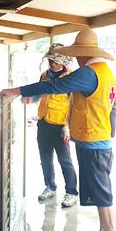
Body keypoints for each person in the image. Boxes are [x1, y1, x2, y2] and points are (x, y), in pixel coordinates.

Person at [0, 28, 116, 231]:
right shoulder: (106, 72)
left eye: (77, 54)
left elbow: (54, 87)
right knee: (99, 194)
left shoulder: (89, 73)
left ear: (84, 54)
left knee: (104, 197)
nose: (75, 58)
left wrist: (16, 90)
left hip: (95, 143)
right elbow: (113, 108)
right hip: (97, 140)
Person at [32, 43, 79, 207]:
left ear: (64, 61)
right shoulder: (44, 75)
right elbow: (39, 95)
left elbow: (74, 104)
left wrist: (68, 126)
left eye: (56, 61)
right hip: (43, 122)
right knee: (45, 158)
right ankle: (50, 186)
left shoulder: (71, 78)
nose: (53, 64)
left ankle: (71, 192)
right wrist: (29, 99)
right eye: (51, 60)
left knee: (65, 160)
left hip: (61, 126)